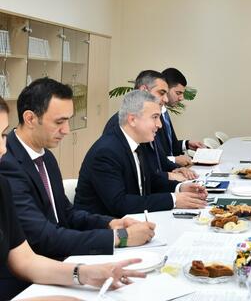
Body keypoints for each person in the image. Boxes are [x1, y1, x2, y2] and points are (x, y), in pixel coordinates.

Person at [0, 96, 145, 301]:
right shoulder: (10, 168)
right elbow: (42, 238)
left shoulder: (6, 183)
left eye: (3, 135)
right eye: (59, 121)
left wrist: (84, 274)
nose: (3, 148)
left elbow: (24, 260)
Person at [75, 90, 207, 217]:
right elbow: (120, 204)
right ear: (132, 120)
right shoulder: (106, 152)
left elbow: (150, 180)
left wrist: (180, 188)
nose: (159, 125)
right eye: (155, 117)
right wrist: (173, 200)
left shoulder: (137, 143)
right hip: (104, 227)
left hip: (134, 220)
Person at [103, 70, 196, 180]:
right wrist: (171, 179)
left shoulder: (145, 122)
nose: (166, 99)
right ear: (144, 91)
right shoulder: (118, 124)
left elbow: (157, 161)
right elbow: (136, 178)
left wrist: (177, 170)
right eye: (161, 93)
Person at [160, 68, 205, 165]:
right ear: (165, 89)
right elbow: (153, 156)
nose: (181, 98)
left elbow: (168, 146)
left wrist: (187, 144)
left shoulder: (164, 111)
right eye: (178, 93)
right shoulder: (151, 116)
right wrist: (174, 160)